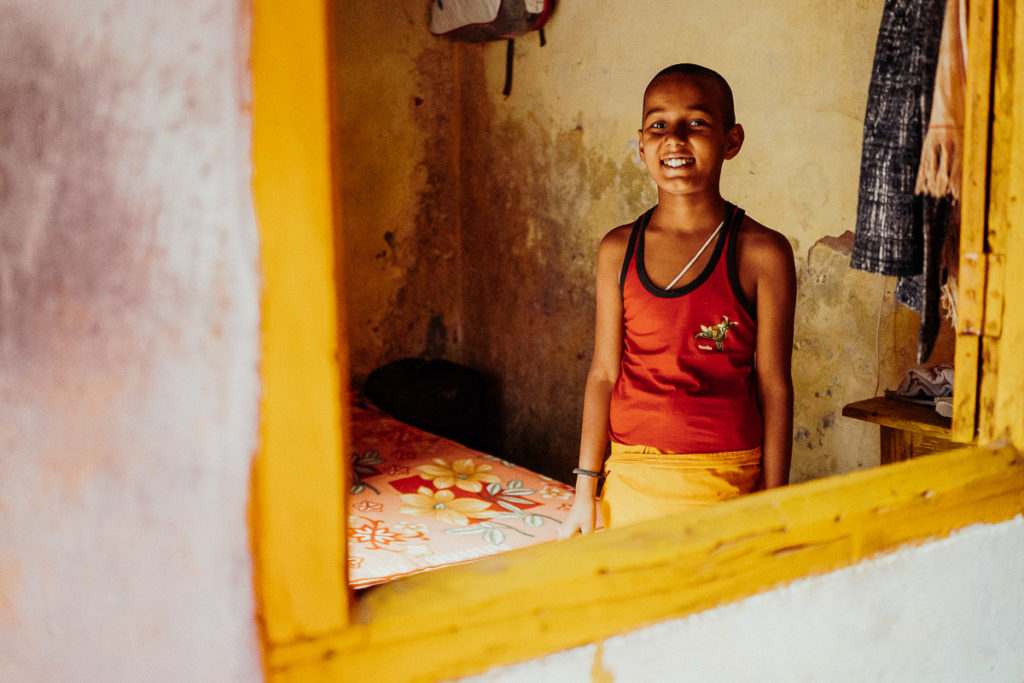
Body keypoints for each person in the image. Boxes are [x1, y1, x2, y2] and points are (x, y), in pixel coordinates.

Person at [559, 64, 796, 537]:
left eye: (697, 123)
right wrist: (585, 492)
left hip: (727, 474)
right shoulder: (617, 250)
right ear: (642, 143)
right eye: (659, 125)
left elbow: (774, 386)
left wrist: (772, 500)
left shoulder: (762, 253)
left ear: (732, 141)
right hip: (630, 475)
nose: (675, 138)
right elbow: (604, 374)